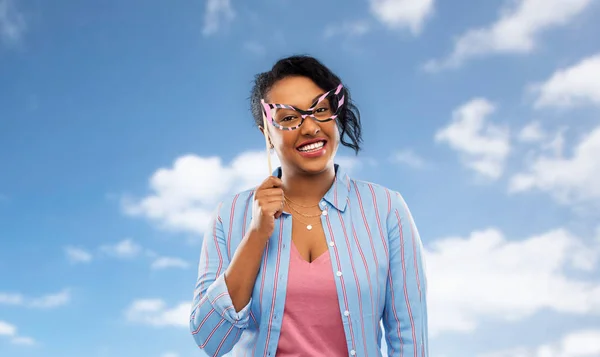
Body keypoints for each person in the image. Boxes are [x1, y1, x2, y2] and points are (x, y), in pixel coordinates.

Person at [189, 55, 429, 357]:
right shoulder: (229, 216)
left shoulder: (387, 209)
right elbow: (210, 339)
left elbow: (409, 339)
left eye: (320, 110)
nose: (310, 127)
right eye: (289, 117)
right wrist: (256, 235)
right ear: (267, 133)